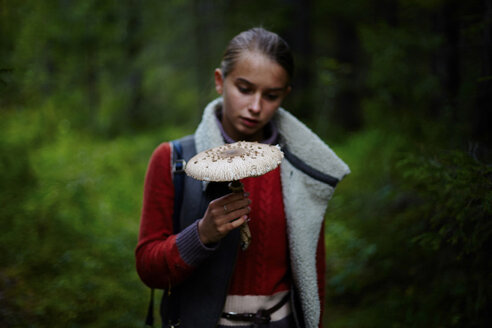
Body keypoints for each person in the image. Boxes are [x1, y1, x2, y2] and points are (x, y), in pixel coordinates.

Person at [136, 27, 350, 328]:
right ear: (220, 81)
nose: (256, 107)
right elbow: (149, 268)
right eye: (245, 89)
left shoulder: (302, 166)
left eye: (271, 95)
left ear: (285, 94)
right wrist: (202, 235)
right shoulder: (173, 160)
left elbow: (312, 275)